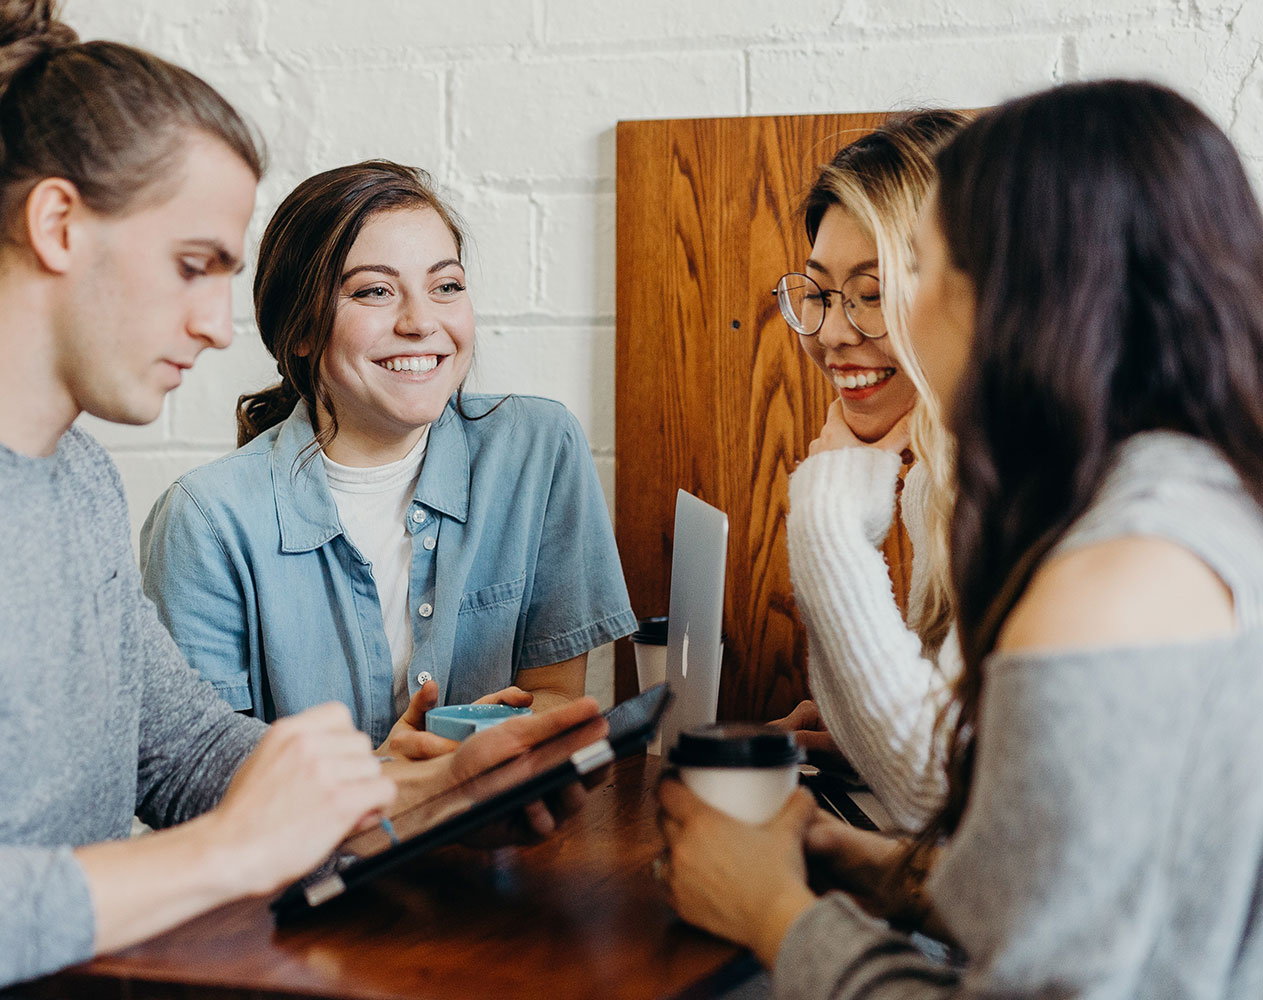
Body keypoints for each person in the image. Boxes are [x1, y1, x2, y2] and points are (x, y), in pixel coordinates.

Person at [0, 2, 603, 988]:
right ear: (59, 223)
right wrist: (228, 852)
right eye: (192, 266)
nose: (210, 324)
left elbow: (186, 750)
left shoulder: (77, 484)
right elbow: (211, 829)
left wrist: (405, 788)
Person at [659, 79, 1263, 997]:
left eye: (922, 269)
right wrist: (879, 872)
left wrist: (773, 914)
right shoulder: (1192, 500)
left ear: (1023, 294)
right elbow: (1093, 901)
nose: (863, 325)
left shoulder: (1111, 578)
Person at [139, 159, 636, 752]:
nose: (422, 322)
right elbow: (202, 777)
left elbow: (555, 695)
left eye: (445, 286)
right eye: (375, 291)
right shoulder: (205, 521)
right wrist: (396, 780)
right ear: (298, 330)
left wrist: (481, 750)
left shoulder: (538, 449)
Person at [768, 111, 967, 831]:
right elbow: (954, 762)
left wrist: (825, 514)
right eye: (818, 293)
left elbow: (933, 792)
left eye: (873, 293)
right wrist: (859, 731)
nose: (830, 332)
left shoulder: (1020, 485)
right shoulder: (937, 478)